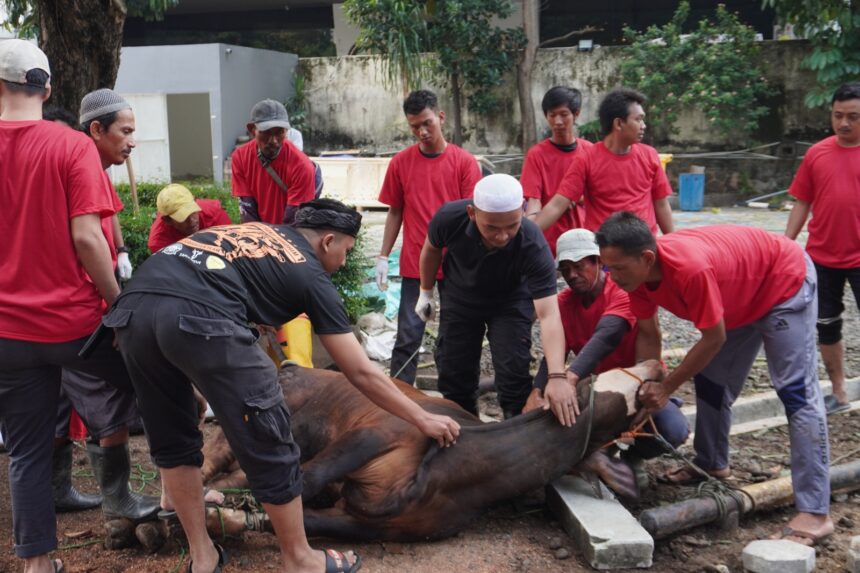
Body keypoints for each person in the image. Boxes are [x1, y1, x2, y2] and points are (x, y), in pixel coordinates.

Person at [108, 198, 461, 573]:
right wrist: (424, 419)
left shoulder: (252, 233)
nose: (343, 259)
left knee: (171, 432)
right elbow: (361, 371)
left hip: (132, 312)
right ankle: (300, 559)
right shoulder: (308, 272)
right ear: (328, 241)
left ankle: (201, 554)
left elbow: (185, 293)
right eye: (347, 249)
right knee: (268, 434)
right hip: (200, 315)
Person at [597, 211, 832, 546]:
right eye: (608, 267)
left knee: (796, 393)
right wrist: (645, 383)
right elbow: (649, 334)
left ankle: (815, 512)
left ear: (647, 258)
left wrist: (666, 388)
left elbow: (713, 338)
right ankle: (711, 462)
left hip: (783, 283)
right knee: (711, 382)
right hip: (737, 301)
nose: (613, 277)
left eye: (618, 268)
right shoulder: (636, 279)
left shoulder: (690, 270)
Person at [0, 40, 142, 573]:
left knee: (28, 451)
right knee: (162, 391)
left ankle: (38, 565)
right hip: (75, 325)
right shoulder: (70, 145)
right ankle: (183, 508)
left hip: (8, 333)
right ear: (49, 89)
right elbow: (88, 239)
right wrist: (118, 306)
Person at [418, 174, 578, 424]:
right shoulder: (449, 218)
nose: (502, 236)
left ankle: (514, 432)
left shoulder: (532, 242)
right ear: (472, 213)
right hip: (460, 298)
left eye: (511, 226)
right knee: (454, 372)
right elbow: (431, 249)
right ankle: (464, 430)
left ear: (523, 212)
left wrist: (557, 376)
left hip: (510, 303)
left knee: (513, 370)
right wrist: (425, 291)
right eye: (491, 227)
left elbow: (549, 314)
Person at [523, 229, 689, 468]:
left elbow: (608, 335)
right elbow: (553, 354)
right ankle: (603, 451)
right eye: (566, 269)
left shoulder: (624, 290)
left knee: (672, 431)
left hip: (639, 386)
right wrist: (537, 391)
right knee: (557, 417)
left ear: (599, 261)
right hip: (599, 390)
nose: (573, 275)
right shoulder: (563, 303)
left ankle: (634, 457)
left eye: (580, 266)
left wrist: (568, 379)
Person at [376, 89, 481, 384]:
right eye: (414, 126)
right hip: (414, 262)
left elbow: (473, 218)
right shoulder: (400, 163)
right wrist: (383, 255)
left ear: (441, 118)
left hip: (454, 264)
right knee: (408, 333)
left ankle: (452, 396)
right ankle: (398, 395)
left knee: (452, 335)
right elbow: (395, 211)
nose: (421, 132)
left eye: (427, 123)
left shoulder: (464, 163)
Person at [785, 82, 860, 415]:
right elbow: (803, 202)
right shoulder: (817, 153)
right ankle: (839, 392)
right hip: (822, 256)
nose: (844, 124)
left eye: (853, 117)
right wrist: (786, 246)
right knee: (827, 325)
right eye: (838, 115)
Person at [536, 88, 674, 236]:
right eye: (638, 119)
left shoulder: (649, 155)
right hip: (605, 252)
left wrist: (673, 242)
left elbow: (661, 204)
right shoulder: (586, 159)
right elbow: (557, 205)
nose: (643, 125)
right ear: (619, 123)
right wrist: (521, 237)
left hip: (644, 250)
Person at [522, 86, 593, 255]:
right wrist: (528, 231)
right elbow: (533, 199)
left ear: (576, 114)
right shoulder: (536, 155)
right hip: (550, 241)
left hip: (587, 238)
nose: (558, 121)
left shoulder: (590, 151)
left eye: (563, 114)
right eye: (552, 115)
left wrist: (577, 197)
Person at [231, 98, 316, 225]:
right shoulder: (241, 157)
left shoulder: (302, 166)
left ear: (286, 131)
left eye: (279, 133)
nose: (273, 141)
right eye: (266, 132)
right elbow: (248, 211)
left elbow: (295, 221)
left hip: (290, 230)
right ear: (252, 130)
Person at [148, 183, 232, 253]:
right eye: (183, 217)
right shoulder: (159, 242)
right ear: (167, 220)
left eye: (193, 212)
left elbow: (231, 248)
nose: (192, 221)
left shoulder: (215, 215)